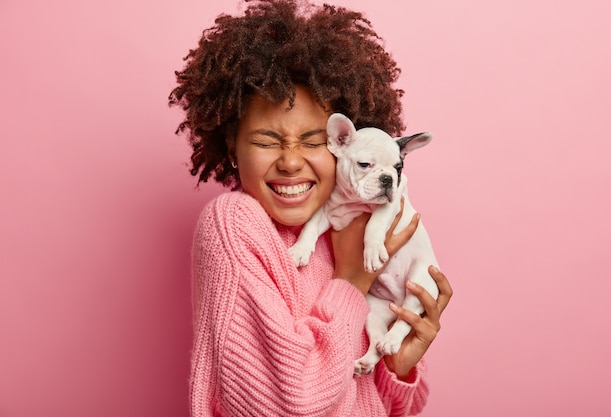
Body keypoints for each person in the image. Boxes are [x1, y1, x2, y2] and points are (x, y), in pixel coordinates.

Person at [168, 1, 453, 416]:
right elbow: (290, 404)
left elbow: (386, 407)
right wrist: (352, 281)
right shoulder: (233, 225)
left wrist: (396, 365)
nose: (289, 160)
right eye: (266, 141)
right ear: (231, 150)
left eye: (312, 140)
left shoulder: (349, 226)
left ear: (342, 144)